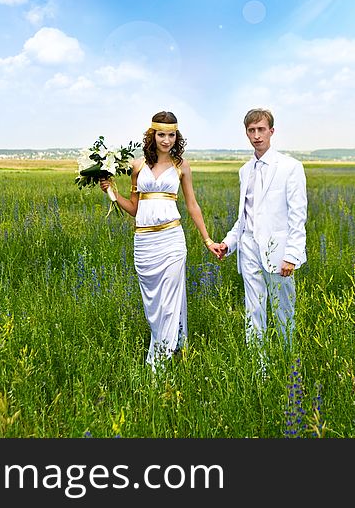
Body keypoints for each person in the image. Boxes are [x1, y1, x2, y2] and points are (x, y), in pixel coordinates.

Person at [100, 111, 220, 368]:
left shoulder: (181, 166)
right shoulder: (137, 166)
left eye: (172, 134)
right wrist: (111, 192)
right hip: (144, 243)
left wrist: (207, 239)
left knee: (170, 300)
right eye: (162, 134)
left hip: (172, 240)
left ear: (177, 136)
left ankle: (159, 361)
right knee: (153, 303)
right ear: (152, 135)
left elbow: (193, 206)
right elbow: (134, 208)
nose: (167, 140)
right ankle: (169, 345)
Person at [212, 108, 307, 348]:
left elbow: (298, 216)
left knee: (284, 310)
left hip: (279, 251)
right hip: (248, 248)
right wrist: (229, 243)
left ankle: (287, 361)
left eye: (261, 129)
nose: (257, 135)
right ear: (246, 133)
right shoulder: (245, 171)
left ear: (271, 131)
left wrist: (292, 255)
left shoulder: (290, 167)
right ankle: (258, 369)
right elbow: (244, 217)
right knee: (253, 309)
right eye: (251, 130)